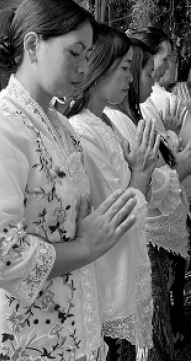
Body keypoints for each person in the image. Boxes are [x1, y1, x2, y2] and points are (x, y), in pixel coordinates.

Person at [0, 0, 140, 361]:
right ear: (33, 45)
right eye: (74, 53)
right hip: (21, 337)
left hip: (71, 322)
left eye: (88, 56)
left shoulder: (61, 127)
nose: (84, 68)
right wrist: (86, 247)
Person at [105, 37, 191, 360]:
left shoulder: (130, 115)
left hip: (147, 235)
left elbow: (155, 166)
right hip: (143, 237)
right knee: (148, 330)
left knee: (156, 319)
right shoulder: (115, 120)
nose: (153, 81)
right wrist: (179, 168)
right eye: (148, 73)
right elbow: (143, 179)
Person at [64, 25, 159, 360]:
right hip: (106, 275)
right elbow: (113, 214)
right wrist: (141, 173)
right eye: (125, 68)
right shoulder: (82, 129)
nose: (130, 78)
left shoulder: (102, 121)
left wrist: (138, 171)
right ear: (100, 67)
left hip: (120, 267)